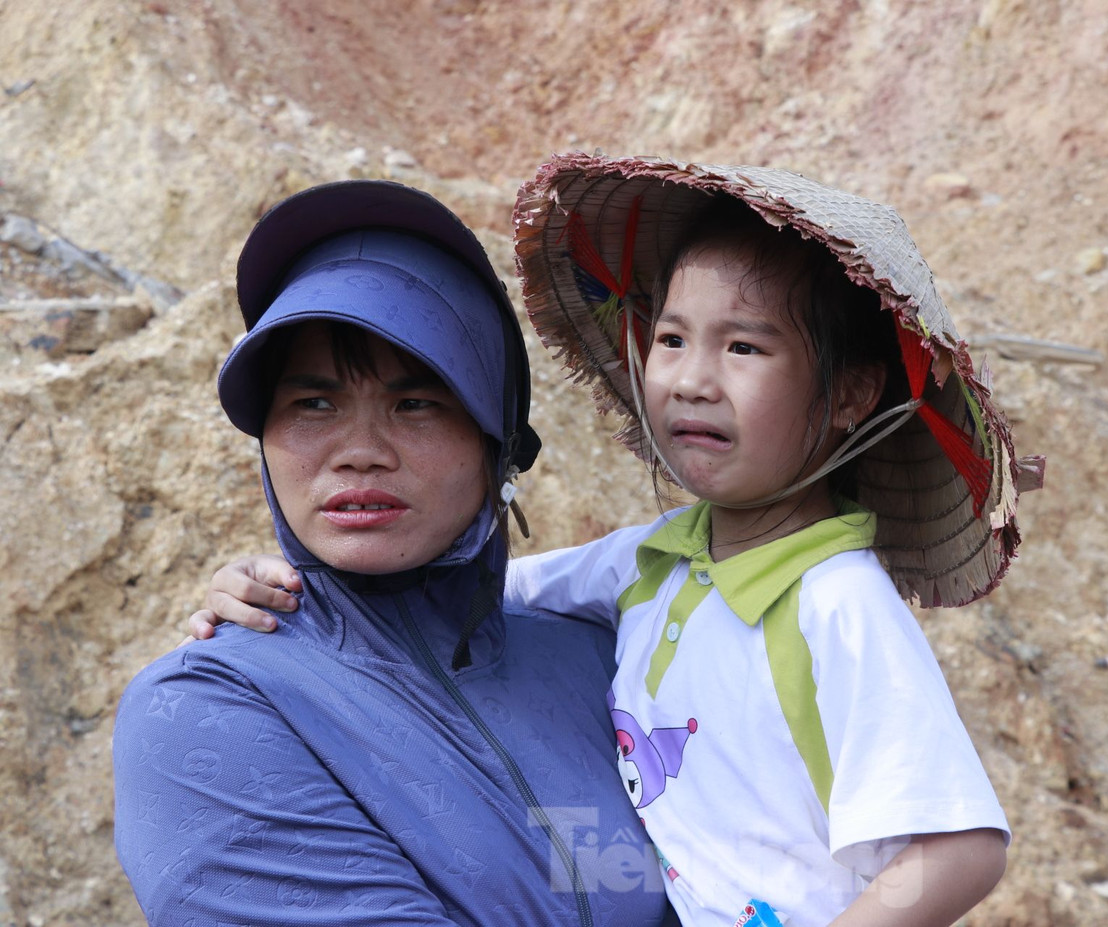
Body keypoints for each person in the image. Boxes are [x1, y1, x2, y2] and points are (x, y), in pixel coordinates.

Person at [197, 155, 1045, 926]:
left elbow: (959, 847)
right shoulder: (652, 563)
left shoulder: (835, 602)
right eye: (672, 339)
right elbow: (451, 591)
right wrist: (267, 588)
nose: (690, 380)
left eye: (744, 346)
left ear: (854, 391)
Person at [112, 179, 672, 926]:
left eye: (417, 403)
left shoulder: (605, 663)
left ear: (496, 443)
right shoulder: (206, 709)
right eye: (313, 404)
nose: (361, 453)